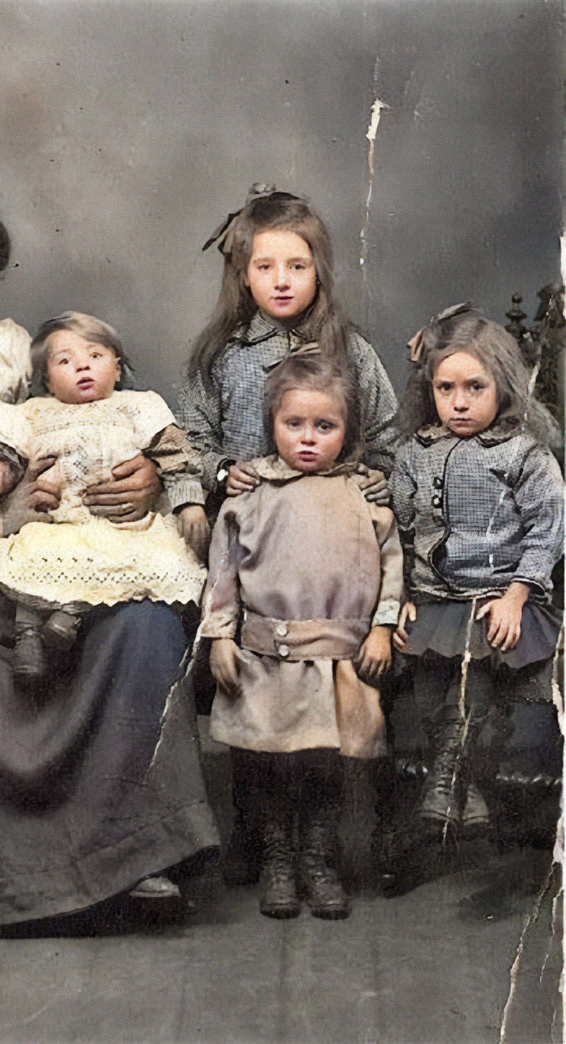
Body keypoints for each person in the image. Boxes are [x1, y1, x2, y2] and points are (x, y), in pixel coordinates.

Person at [0, 191, 218, 933]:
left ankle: (135, 853)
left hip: (52, 539)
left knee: (142, 610)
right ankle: (0, 881)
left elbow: (80, 422)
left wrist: (146, 477)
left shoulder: (8, 343)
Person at [179, 183, 400, 883]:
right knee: (253, 693)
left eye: (297, 266)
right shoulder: (223, 355)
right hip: (251, 553)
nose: (281, 280)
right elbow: (189, 440)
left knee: (323, 709)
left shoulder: (351, 351)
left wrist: (370, 482)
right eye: (265, 266)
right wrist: (219, 475)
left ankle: (317, 843)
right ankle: (258, 837)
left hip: (331, 556)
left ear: (319, 270)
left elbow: (388, 438)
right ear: (242, 272)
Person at [200, 355, 403, 918]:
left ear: (347, 431)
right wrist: (220, 637)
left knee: (323, 764)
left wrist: (382, 627)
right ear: (273, 425)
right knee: (267, 763)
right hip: (265, 656)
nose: (309, 440)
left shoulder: (364, 496)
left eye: (325, 427)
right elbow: (223, 574)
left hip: (338, 658)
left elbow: (390, 565)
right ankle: (278, 858)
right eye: (295, 425)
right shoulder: (250, 496)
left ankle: (319, 857)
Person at [391, 304, 563, 839]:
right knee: (427, 689)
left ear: (505, 388)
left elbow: (550, 526)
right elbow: (397, 530)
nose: (459, 402)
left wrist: (516, 594)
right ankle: (470, 787)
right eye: (446, 389)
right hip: (434, 596)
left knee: (479, 665)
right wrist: (399, 592)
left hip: (501, 596)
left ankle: (445, 780)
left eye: (475, 387)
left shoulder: (522, 454)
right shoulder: (415, 453)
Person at [0, 311, 208, 677]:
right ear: (47, 380)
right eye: (65, 360)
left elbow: (175, 455)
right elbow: (10, 458)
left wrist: (190, 503)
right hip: (56, 523)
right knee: (30, 556)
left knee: (131, 561)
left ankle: (69, 617)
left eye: (95, 356)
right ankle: (28, 638)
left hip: (120, 527)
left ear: (117, 366)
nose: (82, 366)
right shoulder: (35, 414)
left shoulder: (137, 406)